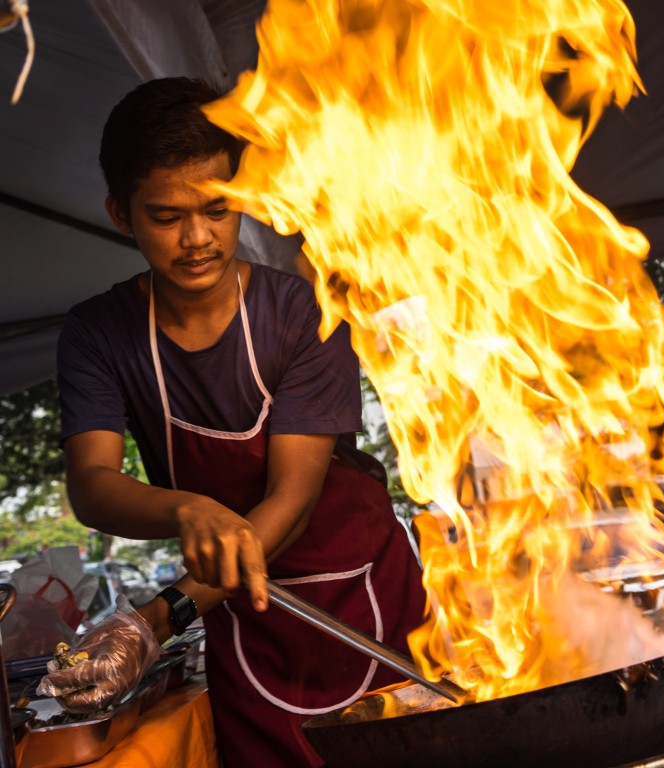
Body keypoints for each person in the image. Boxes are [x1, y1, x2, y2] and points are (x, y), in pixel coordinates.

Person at [37, 76, 427, 767]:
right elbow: (93, 483)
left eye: (219, 210)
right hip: (242, 619)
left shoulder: (303, 314)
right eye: (165, 216)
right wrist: (187, 508)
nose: (197, 238)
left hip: (362, 599)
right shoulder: (99, 333)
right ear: (119, 213)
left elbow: (292, 503)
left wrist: (160, 617)